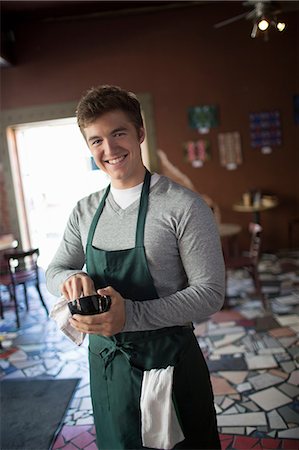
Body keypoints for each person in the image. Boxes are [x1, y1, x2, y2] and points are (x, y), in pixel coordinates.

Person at [46, 85, 225, 450]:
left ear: (140, 133)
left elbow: (209, 294)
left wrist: (130, 316)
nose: (108, 150)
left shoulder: (183, 206)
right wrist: (73, 278)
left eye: (118, 134)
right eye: (96, 141)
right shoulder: (84, 210)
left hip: (169, 364)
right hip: (108, 368)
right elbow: (55, 270)